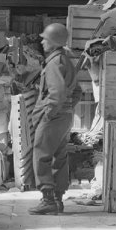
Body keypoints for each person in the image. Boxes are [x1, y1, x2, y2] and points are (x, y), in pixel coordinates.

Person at [28, 22, 82, 215]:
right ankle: (57, 199)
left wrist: (50, 113)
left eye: (45, 38)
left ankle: (48, 200)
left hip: (53, 117)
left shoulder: (53, 63)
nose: (42, 41)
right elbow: (77, 92)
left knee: (41, 155)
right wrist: (66, 109)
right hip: (65, 117)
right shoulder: (66, 60)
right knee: (59, 157)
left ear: (54, 41)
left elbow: (57, 93)